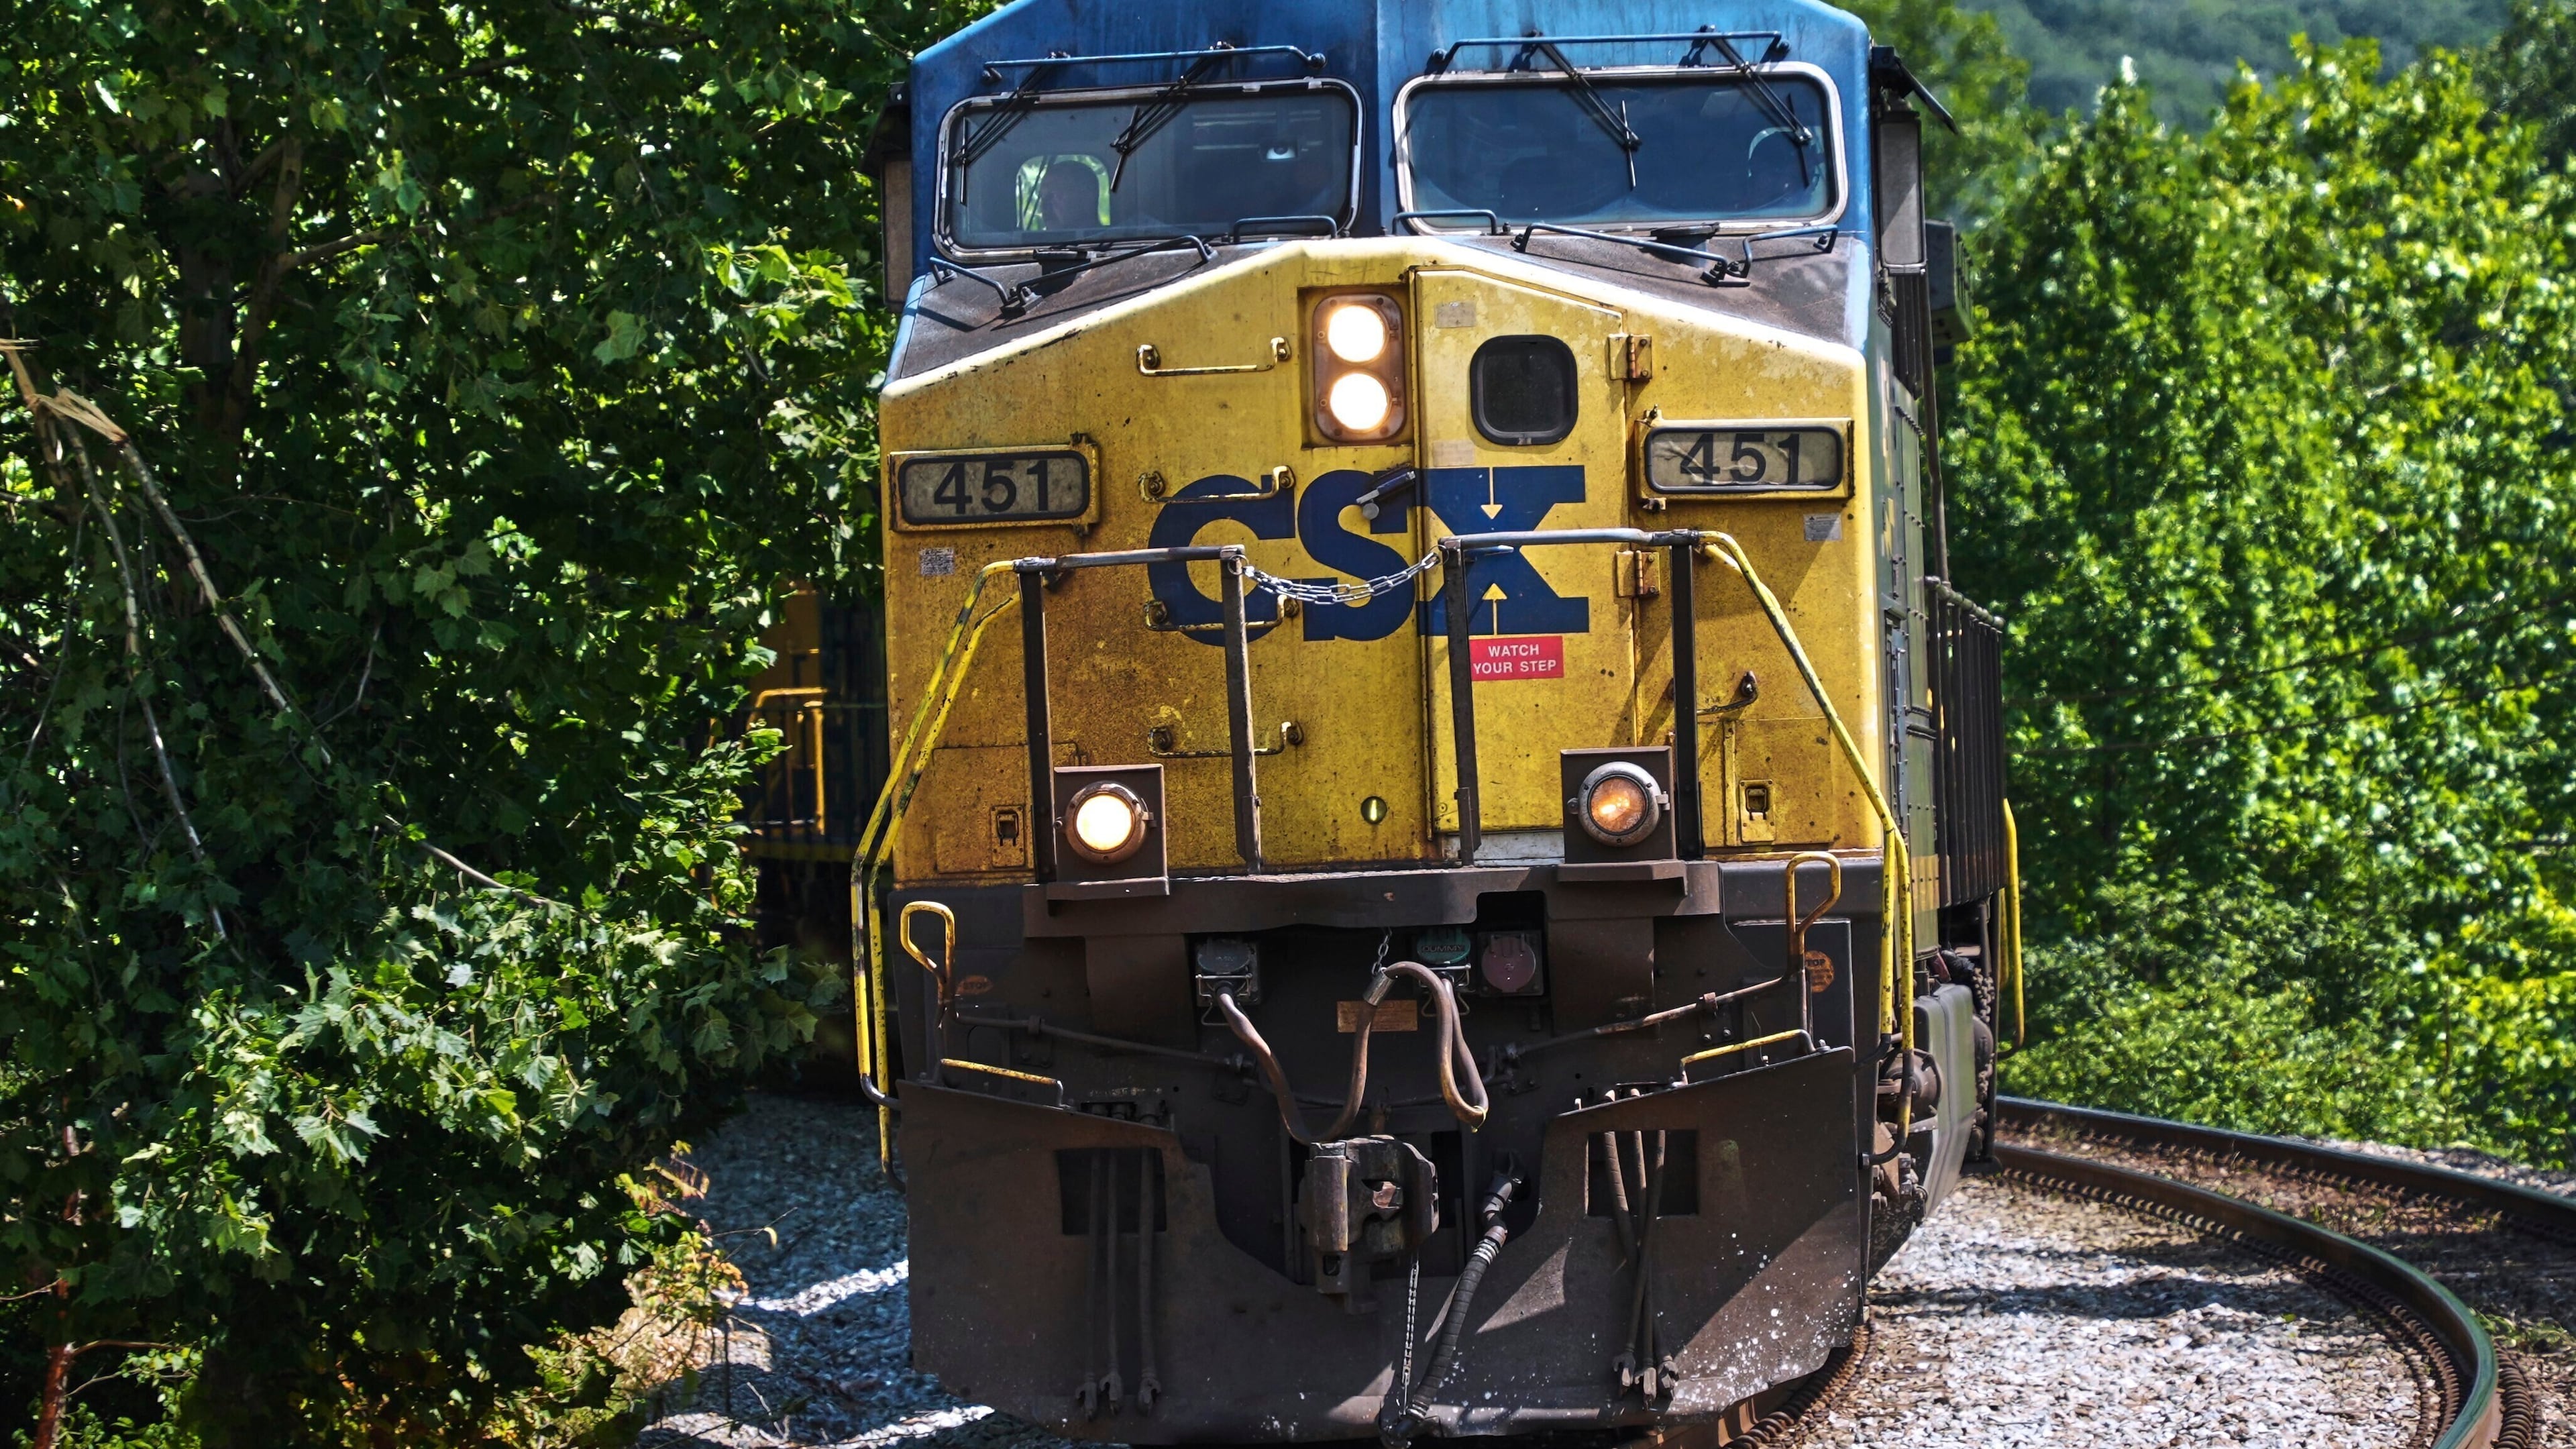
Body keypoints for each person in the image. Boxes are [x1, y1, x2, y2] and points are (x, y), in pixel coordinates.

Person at [1037, 159, 1102, 233]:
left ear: (1087, 197)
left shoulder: (1111, 241)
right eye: (1043, 196)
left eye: (1054, 194)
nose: (1044, 205)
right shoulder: (1033, 243)